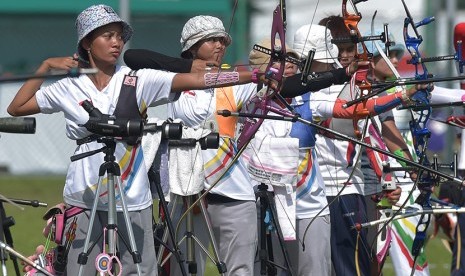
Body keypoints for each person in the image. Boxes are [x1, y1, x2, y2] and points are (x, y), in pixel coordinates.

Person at [8, 5, 255, 275]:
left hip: (132, 193)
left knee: (140, 269)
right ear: (87, 43)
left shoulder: (137, 79)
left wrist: (254, 75)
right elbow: (17, 108)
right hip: (84, 193)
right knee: (84, 269)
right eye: (107, 36)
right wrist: (46, 66)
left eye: (119, 36)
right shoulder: (69, 86)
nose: (117, 43)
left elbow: (200, 79)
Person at [244, 25, 424, 275]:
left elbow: (358, 115)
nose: (290, 65)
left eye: (292, 60)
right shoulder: (247, 96)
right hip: (271, 195)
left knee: (332, 266)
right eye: (283, 61)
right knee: (277, 267)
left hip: (326, 192)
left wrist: (404, 94)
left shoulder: (317, 94)